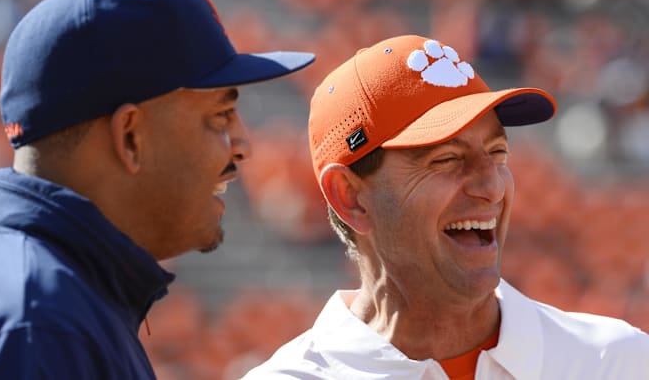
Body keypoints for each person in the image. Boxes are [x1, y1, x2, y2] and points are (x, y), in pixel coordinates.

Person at [0, 0, 314, 378]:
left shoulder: (45, 296)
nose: (242, 145)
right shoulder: (36, 323)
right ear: (130, 136)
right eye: (220, 116)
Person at [242, 35, 649, 379]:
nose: (491, 186)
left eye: (498, 154)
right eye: (447, 159)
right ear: (350, 197)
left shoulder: (618, 363)